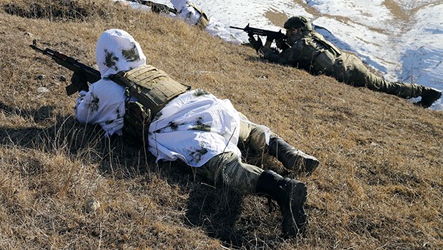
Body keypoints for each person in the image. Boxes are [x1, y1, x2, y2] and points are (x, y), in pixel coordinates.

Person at [74, 29, 319, 238]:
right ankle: (291, 154)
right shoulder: (151, 70)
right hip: (205, 103)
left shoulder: (105, 87)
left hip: (179, 125)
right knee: (249, 128)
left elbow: (83, 115)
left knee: (223, 166)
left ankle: (281, 188)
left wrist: (84, 93)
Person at [250, 16, 441, 108]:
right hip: (350, 62)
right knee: (385, 85)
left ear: (299, 30)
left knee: (386, 87)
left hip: (349, 72)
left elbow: (283, 61)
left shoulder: (303, 44)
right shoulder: (312, 37)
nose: (288, 35)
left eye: (290, 31)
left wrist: (264, 49)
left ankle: (426, 93)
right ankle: (424, 93)